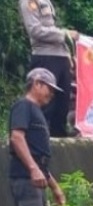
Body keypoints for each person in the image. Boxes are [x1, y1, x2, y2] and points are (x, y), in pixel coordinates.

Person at [7, 68, 66, 206]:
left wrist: (55, 187)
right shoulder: (23, 106)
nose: (52, 94)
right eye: (49, 88)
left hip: (35, 180)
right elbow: (17, 137)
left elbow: (39, 159)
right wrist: (33, 169)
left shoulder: (37, 111)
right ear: (37, 84)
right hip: (26, 179)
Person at [18, 0, 79, 137]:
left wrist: (69, 54)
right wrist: (64, 34)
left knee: (63, 102)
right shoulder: (29, 2)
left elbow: (51, 27)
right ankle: (38, 137)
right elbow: (35, 30)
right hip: (45, 56)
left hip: (61, 56)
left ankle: (59, 136)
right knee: (45, 101)